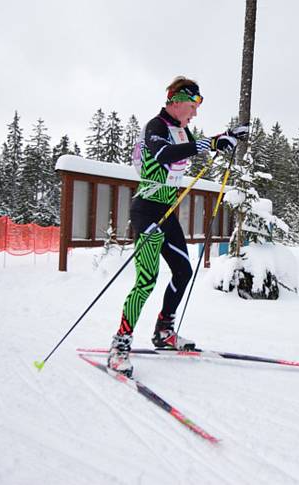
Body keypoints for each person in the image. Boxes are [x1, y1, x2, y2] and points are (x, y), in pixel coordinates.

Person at [107, 76, 248, 376]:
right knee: (146, 281)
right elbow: (164, 154)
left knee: (184, 270)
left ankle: (163, 331)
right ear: (177, 101)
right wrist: (209, 142)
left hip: (167, 212)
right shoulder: (155, 126)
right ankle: (120, 344)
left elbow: (189, 148)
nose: (195, 112)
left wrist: (226, 137)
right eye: (194, 104)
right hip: (146, 211)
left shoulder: (183, 131)